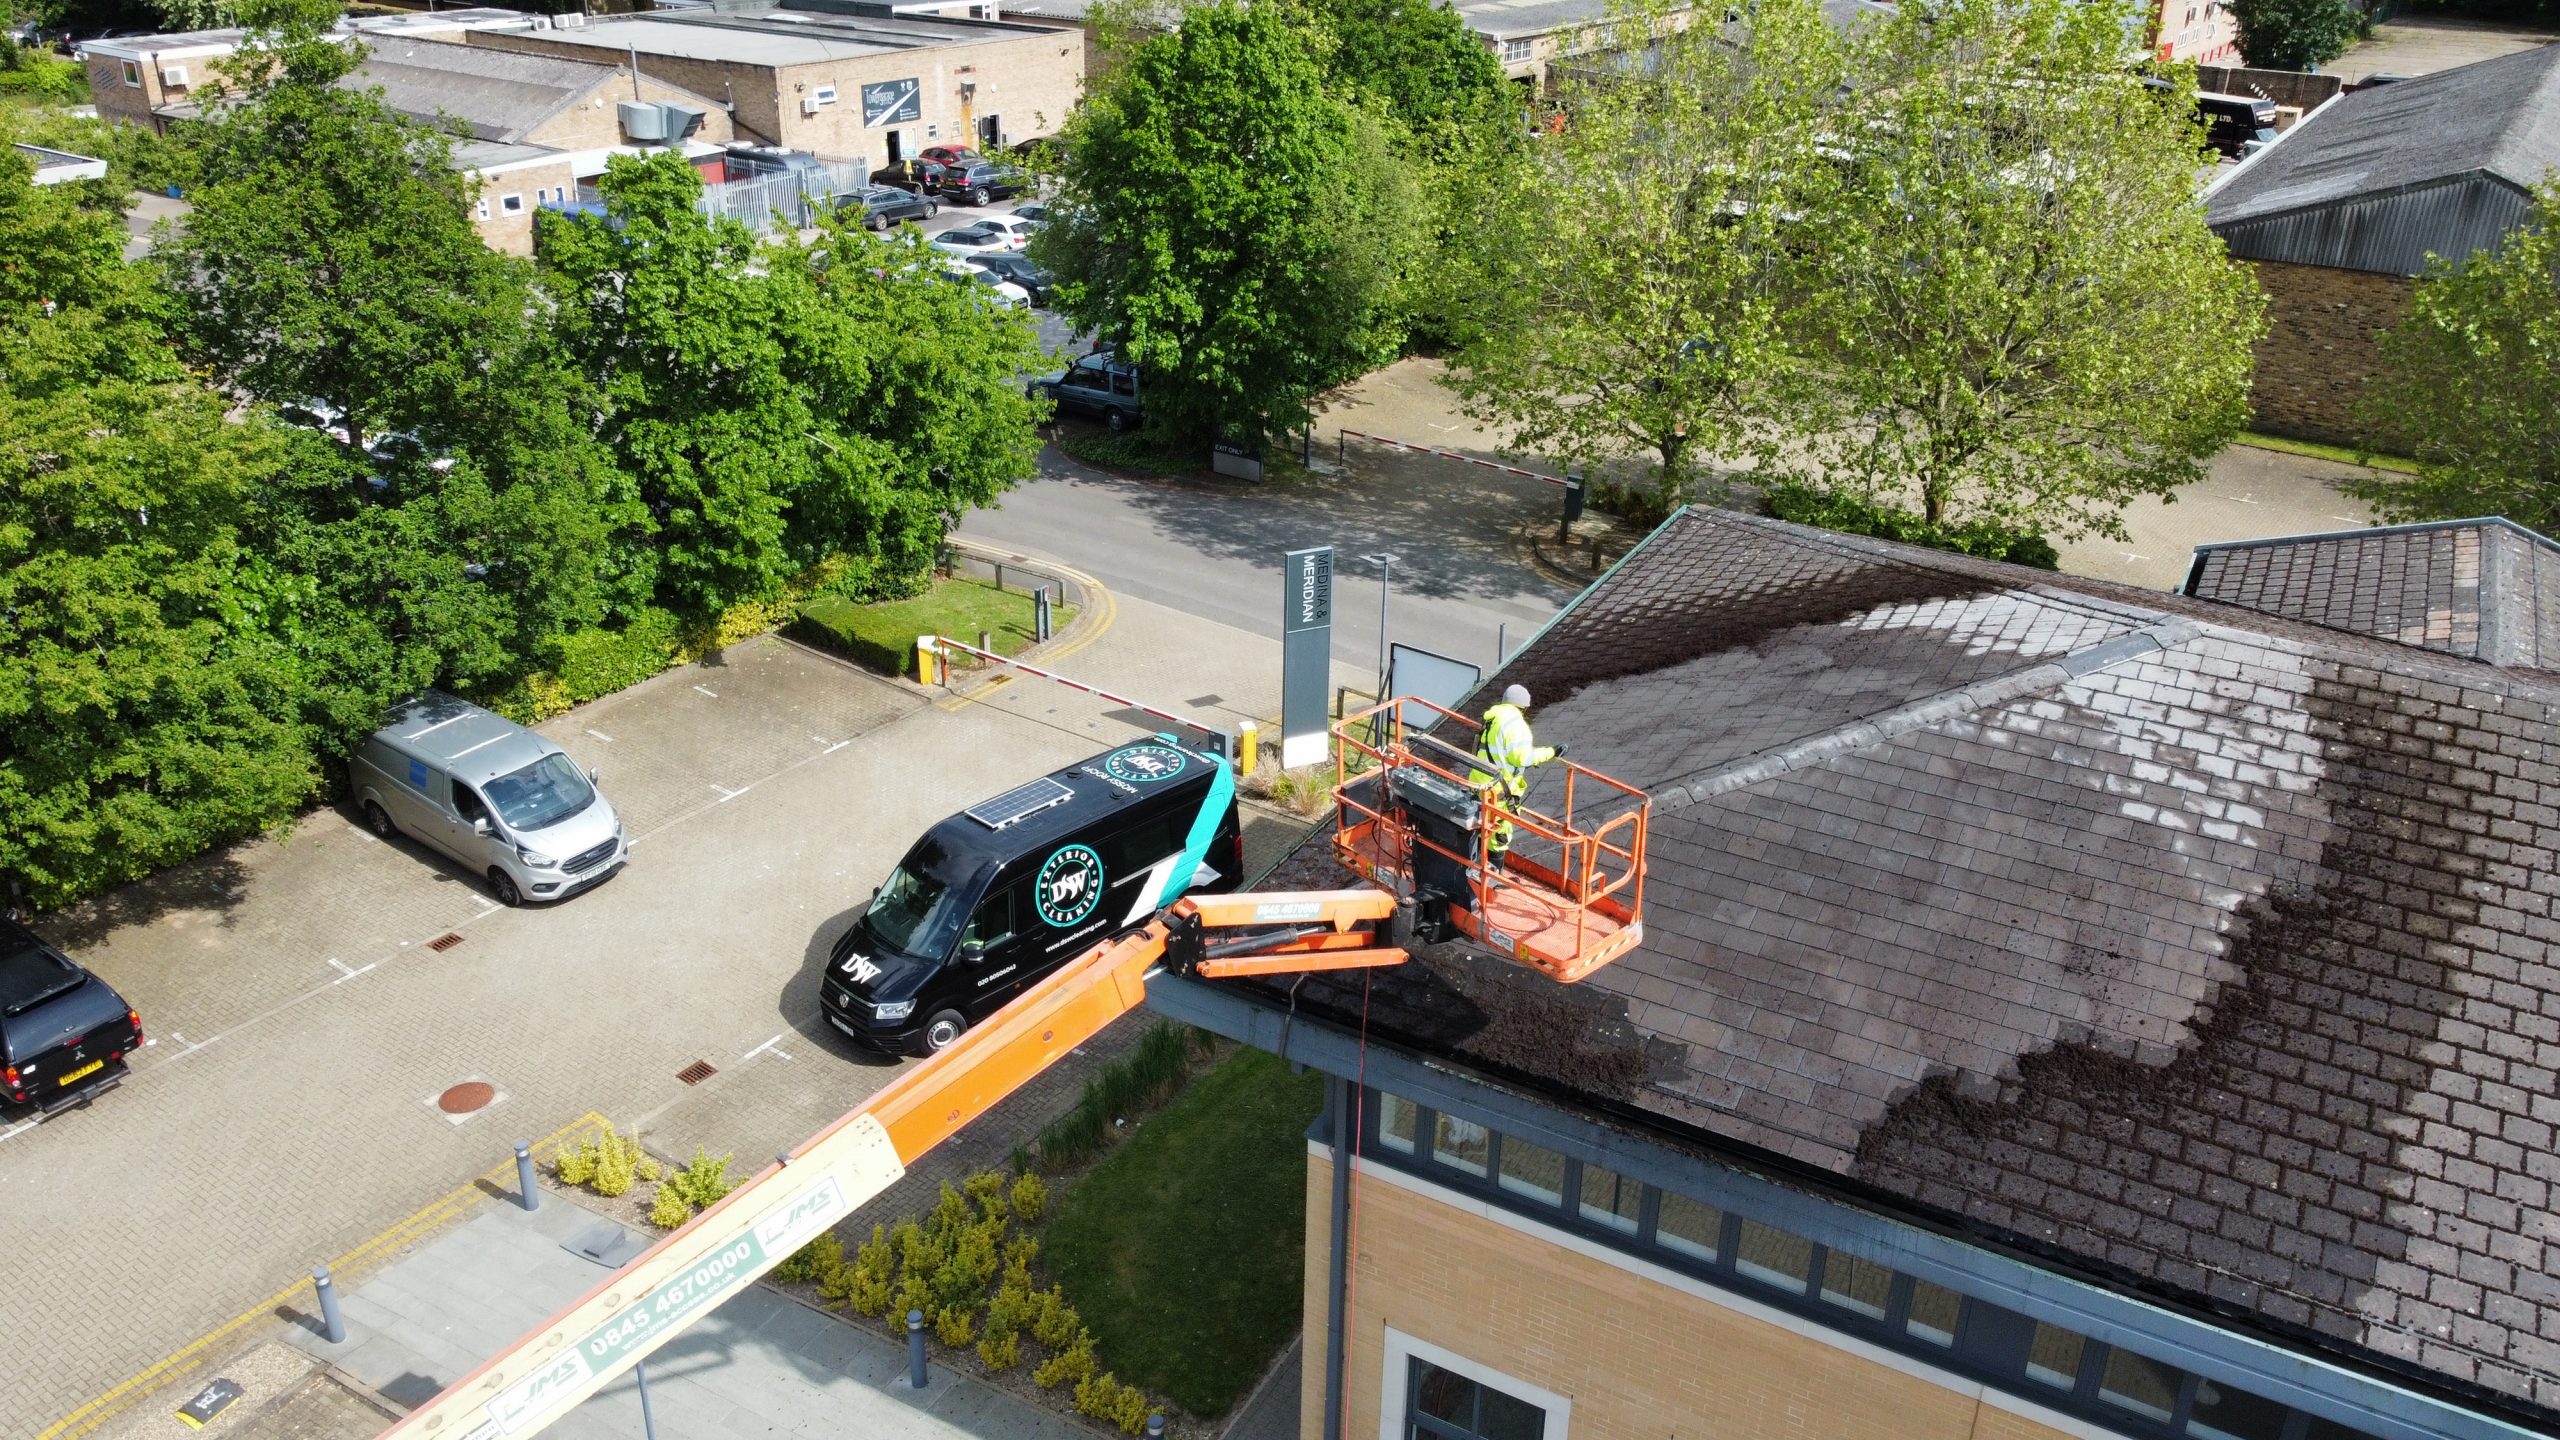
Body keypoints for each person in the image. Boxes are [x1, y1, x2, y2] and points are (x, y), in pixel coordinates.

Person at [1468, 684, 1565, 866]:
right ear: (1524, 708)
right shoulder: (1517, 725)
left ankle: (1473, 867)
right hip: (1499, 792)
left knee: (1479, 826)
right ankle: (1491, 879)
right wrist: (1551, 752)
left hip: (1478, 783)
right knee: (1499, 836)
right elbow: (1523, 758)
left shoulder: (1492, 718)